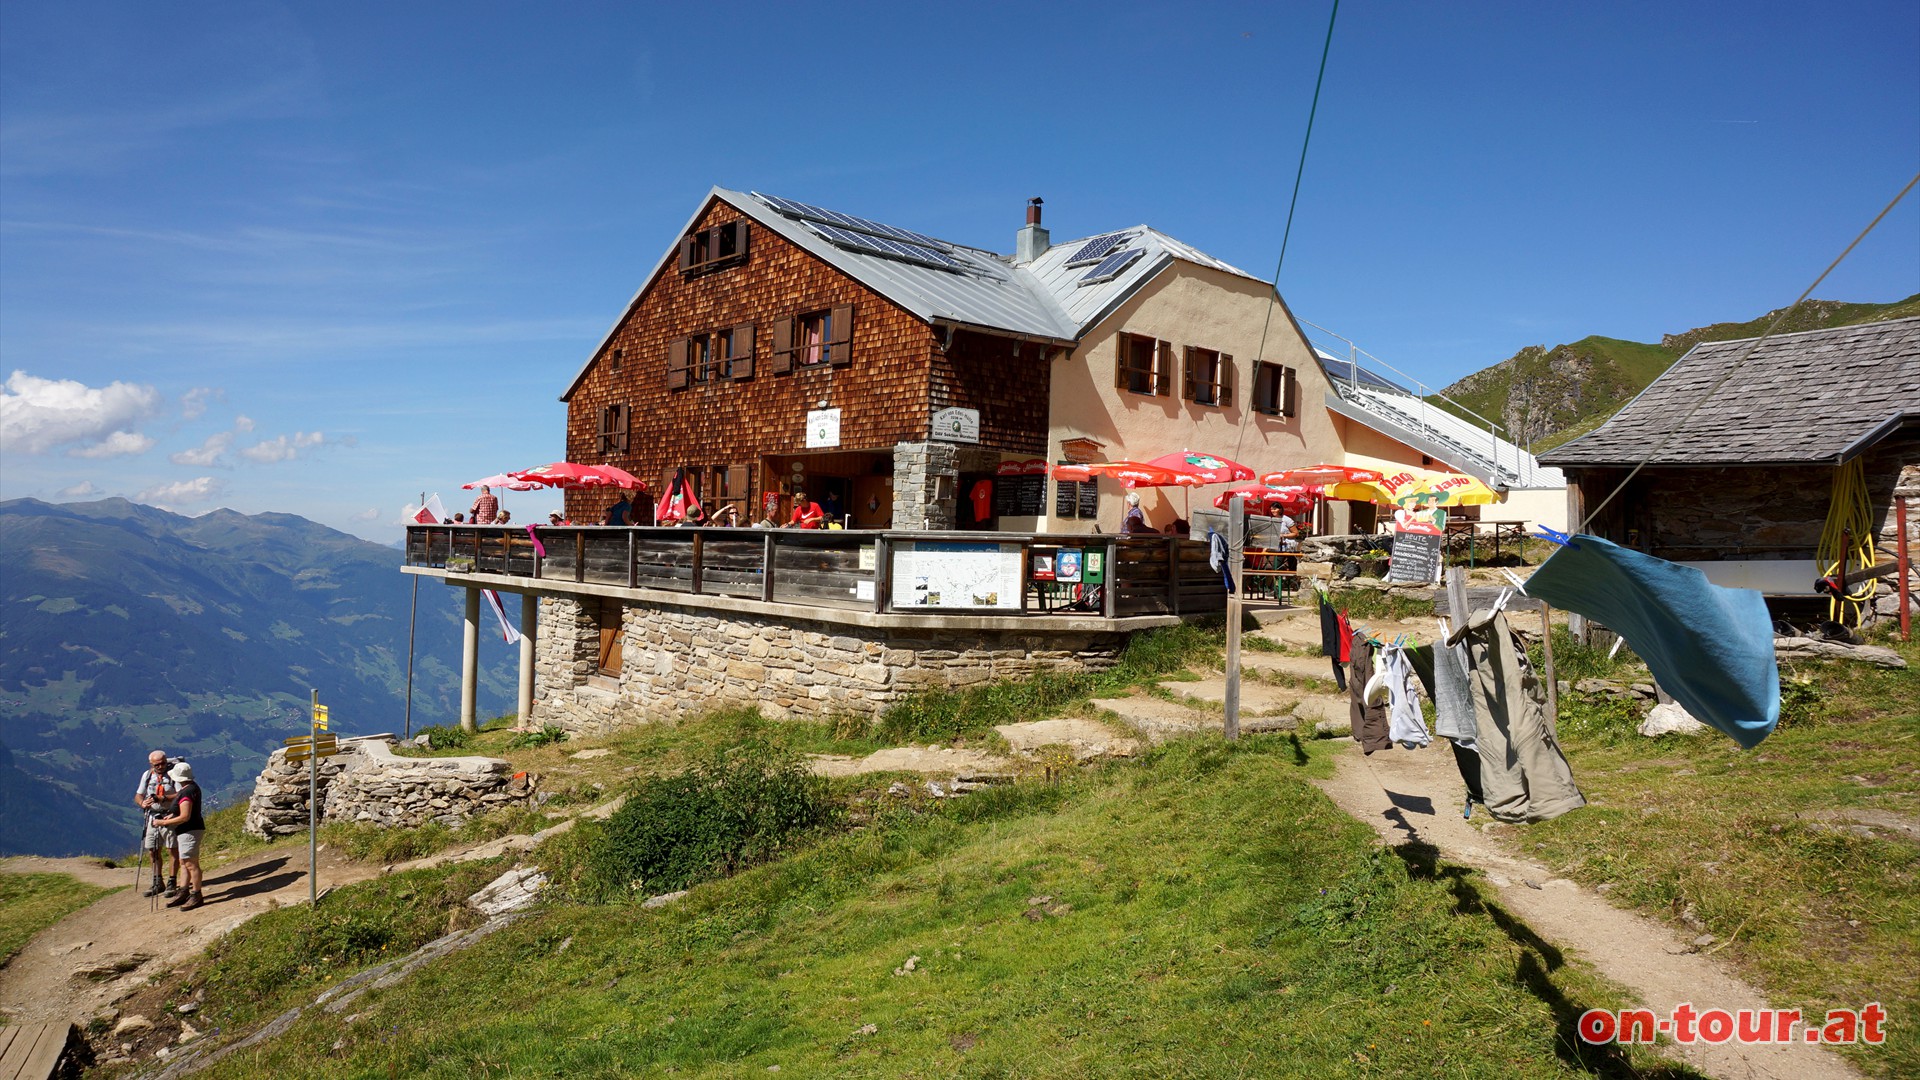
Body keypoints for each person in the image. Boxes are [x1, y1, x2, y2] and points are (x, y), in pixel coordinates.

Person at [153, 761, 206, 910]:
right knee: (184, 862)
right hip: (188, 830)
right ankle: (184, 891)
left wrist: (162, 823)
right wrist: (171, 816)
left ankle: (196, 894)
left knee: (190, 863)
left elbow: (185, 816)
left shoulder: (186, 792)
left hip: (189, 830)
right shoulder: (190, 788)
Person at [134, 750, 180, 898]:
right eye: (157, 764)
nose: (160, 766)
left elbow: (181, 794)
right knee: (152, 850)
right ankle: (157, 882)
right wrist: (142, 803)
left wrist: (162, 798)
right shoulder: (147, 775)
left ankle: (172, 882)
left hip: (169, 816)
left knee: (172, 849)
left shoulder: (174, 774)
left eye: (163, 763)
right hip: (152, 817)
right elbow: (138, 795)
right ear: (151, 764)